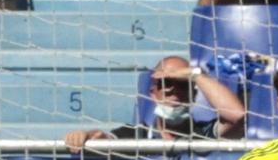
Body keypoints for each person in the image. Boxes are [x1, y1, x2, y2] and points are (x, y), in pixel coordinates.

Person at [64, 55, 247, 152]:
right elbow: (100, 139)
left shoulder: (205, 134)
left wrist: (196, 74)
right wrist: (84, 136)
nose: (171, 90)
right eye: (165, 83)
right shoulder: (137, 134)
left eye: (181, 83)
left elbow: (237, 116)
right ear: (153, 93)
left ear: (193, 94)